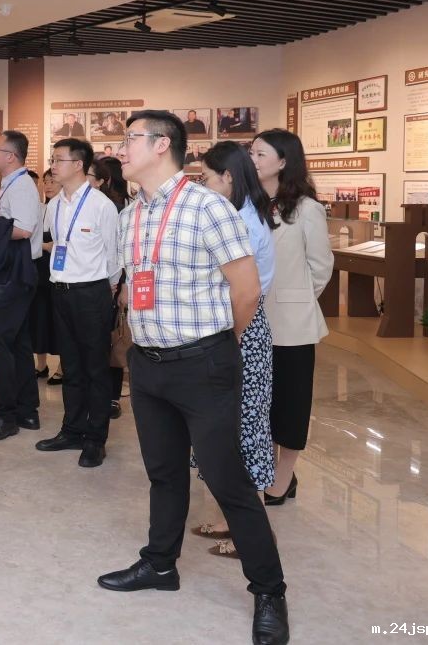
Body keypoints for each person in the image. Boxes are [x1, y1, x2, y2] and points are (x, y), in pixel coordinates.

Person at [98, 111, 288, 645]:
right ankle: (160, 563)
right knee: (163, 472)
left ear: (162, 145)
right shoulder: (132, 214)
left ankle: (269, 591)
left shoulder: (208, 207)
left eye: (130, 138)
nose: (121, 148)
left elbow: (246, 290)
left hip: (204, 364)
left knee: (228, 481)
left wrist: (220, 349)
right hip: (148, 364)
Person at [193, 141, 277, 555]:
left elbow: (246, 294)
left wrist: (233, 337)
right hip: (234, 327)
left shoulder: (242, 221)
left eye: (206, 178)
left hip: (241, 330)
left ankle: (250, 536)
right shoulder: (237, 212)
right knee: (225, 429)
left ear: (227, 177)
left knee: (245, 431)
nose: (202, 186)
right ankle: (229, 521)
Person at [250, 129, 333, 506]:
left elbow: (320, 268)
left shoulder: (306, 209)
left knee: (292, 404)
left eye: (261, 154)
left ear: (283, 162)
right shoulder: (248, 204)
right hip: (250, 318)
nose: (253, 160)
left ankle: (283, 478)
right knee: (261, 404)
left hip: (292, 325)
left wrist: (295, 299)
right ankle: (265, 468)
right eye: (251, 153)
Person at [35, 139, 119, 467]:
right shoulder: (54, 205)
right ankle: (72, 429)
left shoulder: (101, 205)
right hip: (61, 292)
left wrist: (109, 291)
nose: (53, 166)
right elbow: (57, 244)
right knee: (70, 365)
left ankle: (95, 439)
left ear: (78, 165)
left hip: (92, 293)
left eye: (59, 160)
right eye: (53, 159)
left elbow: (114, 256)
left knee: (95, 368)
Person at [0, 130, 43, 442]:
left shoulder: (23, 185)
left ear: (11, 156)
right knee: (17, 343)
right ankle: (27, 409)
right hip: (14, 270)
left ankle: (6, 415)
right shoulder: (13, 184)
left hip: (15, 273)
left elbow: (24, 229)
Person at [92, 156, 130, 415]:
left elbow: (117, 253)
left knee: (112, 340)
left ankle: (111, 397)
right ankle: (107, 396)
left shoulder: (112, 208)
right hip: (110, 283)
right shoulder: (118, 204)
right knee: (107, 341)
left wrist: (117, 284)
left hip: (113, 284)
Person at [33, 169, 62, 380]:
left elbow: (61, 245)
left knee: (59, 321)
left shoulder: (65, 209)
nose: (48, 185)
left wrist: (42, 245)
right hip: (40, 273)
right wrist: (45, 246)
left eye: (52, 181)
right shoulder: (40, 209)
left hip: (60, 275)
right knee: (40, 320)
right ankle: (41, 365)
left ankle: (62, 367)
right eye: (46, 181)